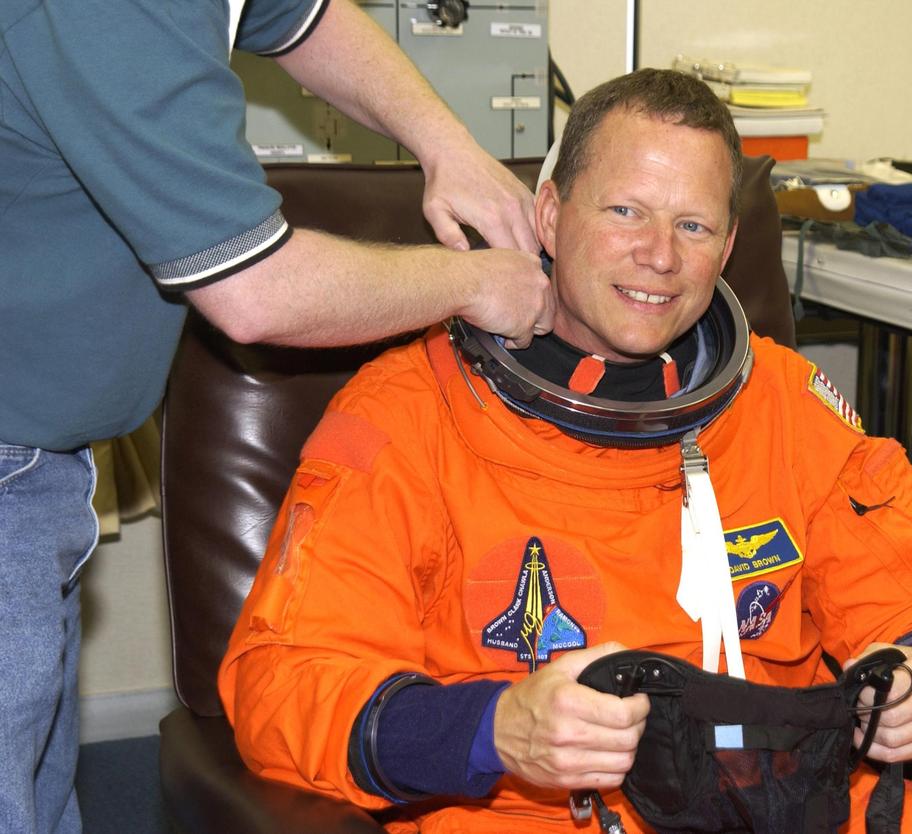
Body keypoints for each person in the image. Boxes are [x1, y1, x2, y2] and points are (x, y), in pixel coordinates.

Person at [218, 68, 912, 833]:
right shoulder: (408, 415)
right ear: (547, 214)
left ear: (726, 250)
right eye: (625, 211)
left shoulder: (783, 406)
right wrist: (495, 727)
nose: (660, 254)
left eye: (693, 224)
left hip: (784, 801)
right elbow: (283, 682)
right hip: (533, 810)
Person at [0, 1, 555, 831]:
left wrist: (448, 143)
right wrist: (476, 284)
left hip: (40, 465)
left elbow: (306, 17)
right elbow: (253, 291)